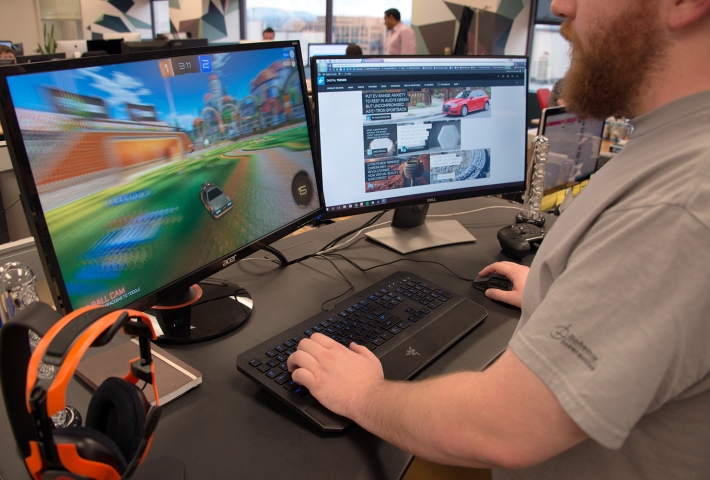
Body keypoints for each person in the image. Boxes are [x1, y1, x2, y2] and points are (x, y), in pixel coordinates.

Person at [288, 0, 710, 478]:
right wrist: (564, 295)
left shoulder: (681, 202)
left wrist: (363, 395)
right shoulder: (679, 151)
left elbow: (507, 427)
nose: (559, 5)